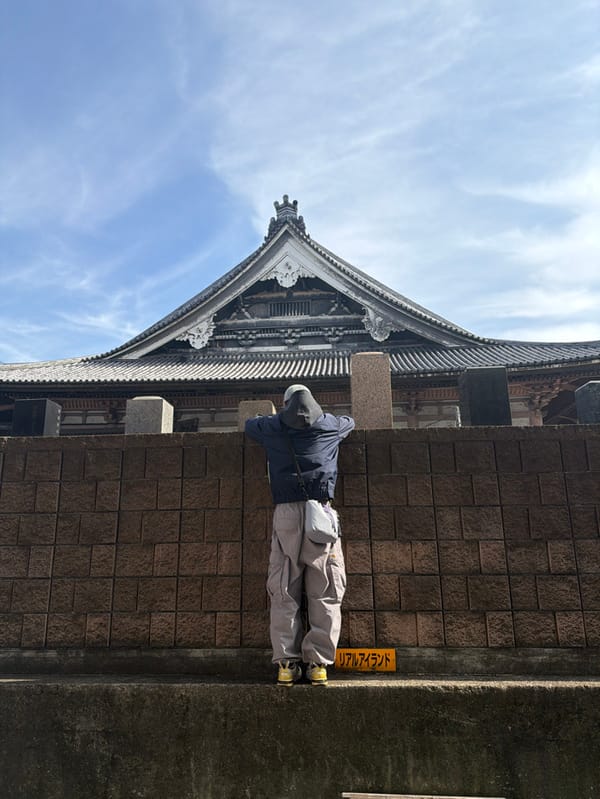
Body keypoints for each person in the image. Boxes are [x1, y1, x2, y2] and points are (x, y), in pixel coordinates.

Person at [245, 384, 355, 686]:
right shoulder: (331, 425)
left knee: (283, 588)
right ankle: (318, 664)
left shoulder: (271, 427)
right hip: (320, 513)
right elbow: (351, 422)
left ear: (285, 404)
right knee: (327, 588)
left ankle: (286, 664)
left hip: (285, 514)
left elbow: (248, 425)